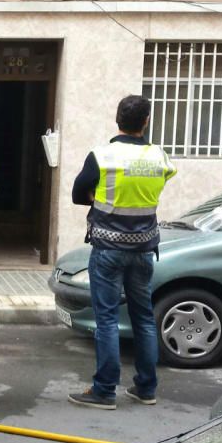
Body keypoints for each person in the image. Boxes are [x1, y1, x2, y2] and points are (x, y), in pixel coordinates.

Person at [68, 94, 176, 410]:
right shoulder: (160, 157)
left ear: (117, 120)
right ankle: (146, 388)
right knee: (143, 318)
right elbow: (161, 180)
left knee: (107, 319)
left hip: (108, 250)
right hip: (144, 249)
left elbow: (78, 194)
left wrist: (99, 197)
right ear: (146, 122)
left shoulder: (102, 156)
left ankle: (104, 391)